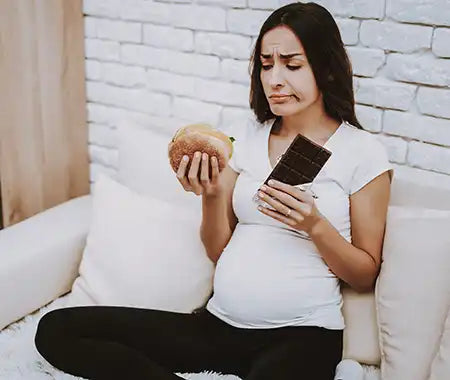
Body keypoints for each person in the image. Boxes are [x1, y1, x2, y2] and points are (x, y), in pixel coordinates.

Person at [34, 2, 394, 379]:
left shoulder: (361, 152)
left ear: (327, 70)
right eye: (266, 64)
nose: (274, 79)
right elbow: (218, 250)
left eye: (292, 64)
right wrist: (211, 194)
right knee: (57, 329)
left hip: (302, 336)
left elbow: (364, 275)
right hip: (217, 327)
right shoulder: (248, 136)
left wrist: (314, 225)